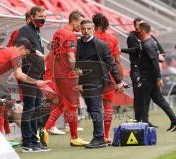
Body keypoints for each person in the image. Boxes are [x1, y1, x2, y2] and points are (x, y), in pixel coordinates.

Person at [44, 11, 89, 147]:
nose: (81, 27)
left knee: (63, 105)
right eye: (80, 23)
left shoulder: (58, 32)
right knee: (73, 106)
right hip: (66, 74)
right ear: (74, 21)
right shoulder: (70, 35)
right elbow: (70, 56)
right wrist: (76, 71)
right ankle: (74, 137)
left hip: (57, 73)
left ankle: (44, 130)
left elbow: (54, 51)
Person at [76, 20, 123, 148]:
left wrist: (118, 81)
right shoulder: (79, 43)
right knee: (92, 109)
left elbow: (111, 63)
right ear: (81, 29)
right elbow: (78, 62)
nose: (85, 31)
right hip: (85, 81)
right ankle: (99, 137)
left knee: (95, 108)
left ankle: (99, 138)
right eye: (83, 28)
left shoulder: (101, 44)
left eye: (88, 29)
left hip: (98, 80)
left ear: (93, 29)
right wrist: (79, 81)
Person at [15, 6, 49, 152]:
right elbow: (19, 46)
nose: (43, 18)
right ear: (32, 16)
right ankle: (28, 142)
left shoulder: (36, 30)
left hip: (38, 75)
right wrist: (35, 51)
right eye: (41, 16)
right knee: (30, 109)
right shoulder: (25, 30)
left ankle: (34, 141)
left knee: (36, 109)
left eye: (45, 16)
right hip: (28, 75)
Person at [121, 18, 165, 127]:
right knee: (139, 94)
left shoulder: (150, 37)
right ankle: (138, 120)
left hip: (148, 71)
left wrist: (158, 63)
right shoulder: (132, 37)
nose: (141, 26)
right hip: (137, 70)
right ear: (135, 27)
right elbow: (135, 50)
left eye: (142, 24)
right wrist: (121, 50)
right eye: (139, 25)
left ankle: (145, 121)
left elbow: (162, 51)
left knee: (148, 96)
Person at [137, 22, 176, 131]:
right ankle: (175, 121)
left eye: (139, 30)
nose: (138, 32)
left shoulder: (147, 44)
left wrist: (158, 78)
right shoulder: (151, 41)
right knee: (159, 100)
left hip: (148, 77)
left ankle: (144, 126)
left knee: (144, 100)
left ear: (143, 31)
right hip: (150, 77)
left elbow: (155, 62)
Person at [92, 13, 124, 144]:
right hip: (109, 76)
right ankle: (105, 136)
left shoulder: (89, 37)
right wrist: (120, 81)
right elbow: (117, 61)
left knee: (95, 107)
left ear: (94, 23)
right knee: (108, 106)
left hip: (92, 76)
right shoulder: (112, 38)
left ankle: (97, 136)